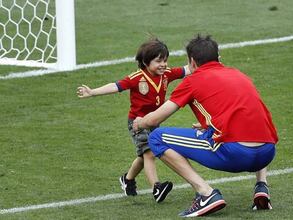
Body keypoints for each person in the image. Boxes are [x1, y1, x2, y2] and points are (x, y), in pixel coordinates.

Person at [132, 35, 278, 217]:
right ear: (218, 57)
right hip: (267, 152)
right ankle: (261, 186)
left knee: (156, 137)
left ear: (192, 62)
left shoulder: (193, 80)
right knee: (255, 124)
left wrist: (141, 122)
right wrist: (209, 126)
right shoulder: (239, 74)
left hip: (236, 154)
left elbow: (154, 120)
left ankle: (206, 194)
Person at [77, 38, 190, 203]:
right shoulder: (137, 78)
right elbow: (116, 86)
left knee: (143, 155)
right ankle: (156, 188)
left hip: (154, 121)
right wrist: (93, 92)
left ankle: (127, 179)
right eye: (158, 61)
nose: (163, 64)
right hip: (137, 122)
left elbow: (187, 70)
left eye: (165, 60)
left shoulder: (166, 74)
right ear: (145, 62)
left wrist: (207, 62)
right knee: (150, 152)